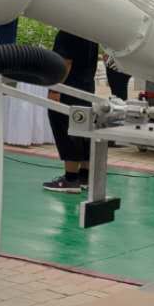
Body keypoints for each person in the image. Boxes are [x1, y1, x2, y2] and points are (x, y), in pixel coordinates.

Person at [43, 28, 99, 193]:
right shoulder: (92, 33)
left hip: (68, 89)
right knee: (83, 132)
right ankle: (85, 176)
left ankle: (71, 178)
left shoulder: (68, 31)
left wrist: (55, 89)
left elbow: (65, 62)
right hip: (86, 88)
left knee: (66, 130)